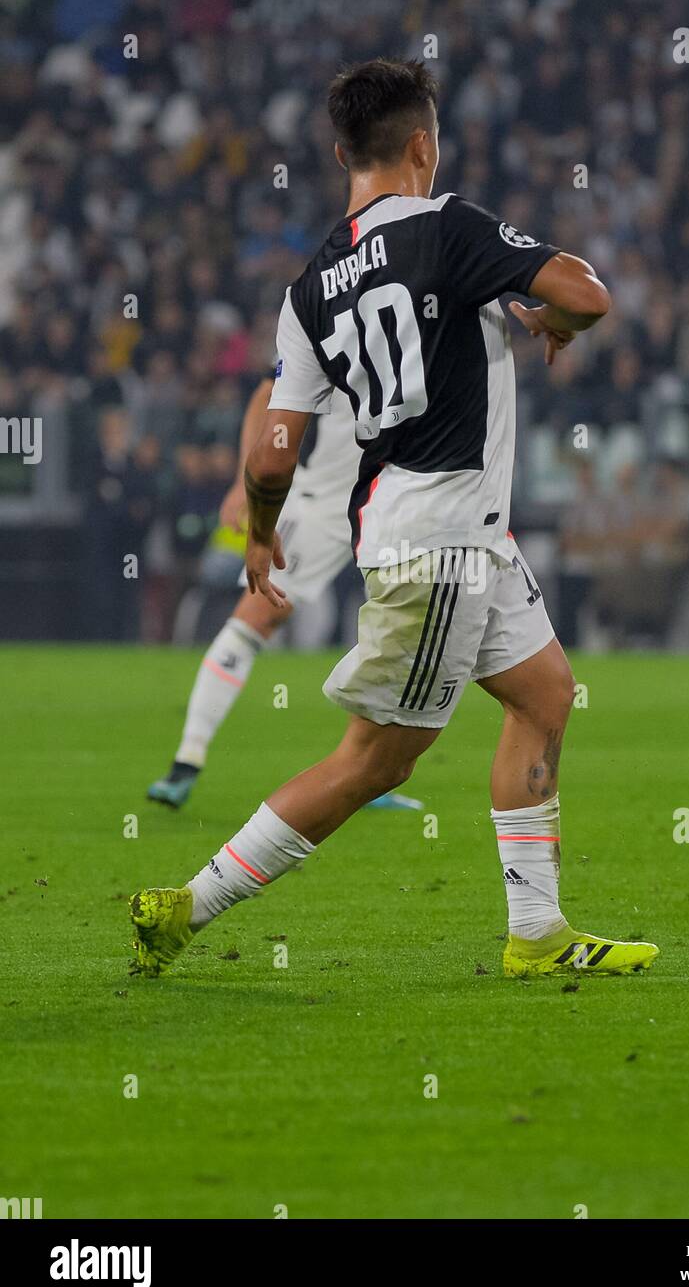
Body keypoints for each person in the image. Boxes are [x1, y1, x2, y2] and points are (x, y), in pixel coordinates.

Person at [129, 58, 659, 981]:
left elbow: (272, 452)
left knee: (543, 696)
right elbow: (587, 293)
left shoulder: (309, 288)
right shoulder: (447, 225)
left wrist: (259, 532)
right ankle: (189, 906)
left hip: (449, 529)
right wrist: (558, 323)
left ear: (341, 153)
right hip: (438, 540)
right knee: (375, 763)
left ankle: (536, 935)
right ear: (424, 144)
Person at [146, 376, 417, 811]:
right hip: (321, 508)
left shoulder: (425, 329)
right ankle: (187, 760)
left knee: (400, 625)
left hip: (394, 505)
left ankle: (368, 771)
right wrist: (243, 481)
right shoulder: (339, 323)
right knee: (257, 616)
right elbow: (266, 394)